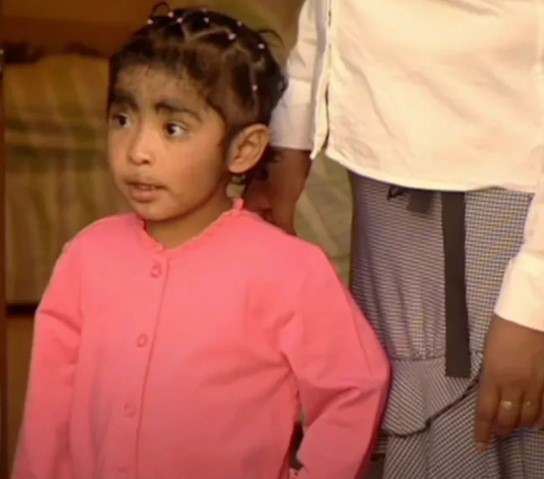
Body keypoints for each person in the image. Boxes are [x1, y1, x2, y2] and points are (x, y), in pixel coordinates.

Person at [11, 5, 390, 479]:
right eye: (122, 119)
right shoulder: (86, 256)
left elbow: (353, 388)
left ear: (242, 149)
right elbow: (48, 414)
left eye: (172, 129)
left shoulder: (288, 270)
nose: (137, 151)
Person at [245, 0, 544, 477]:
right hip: (383, 208)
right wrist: (289, 139)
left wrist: (535, 306)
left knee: (480, 435)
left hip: (501, 220)